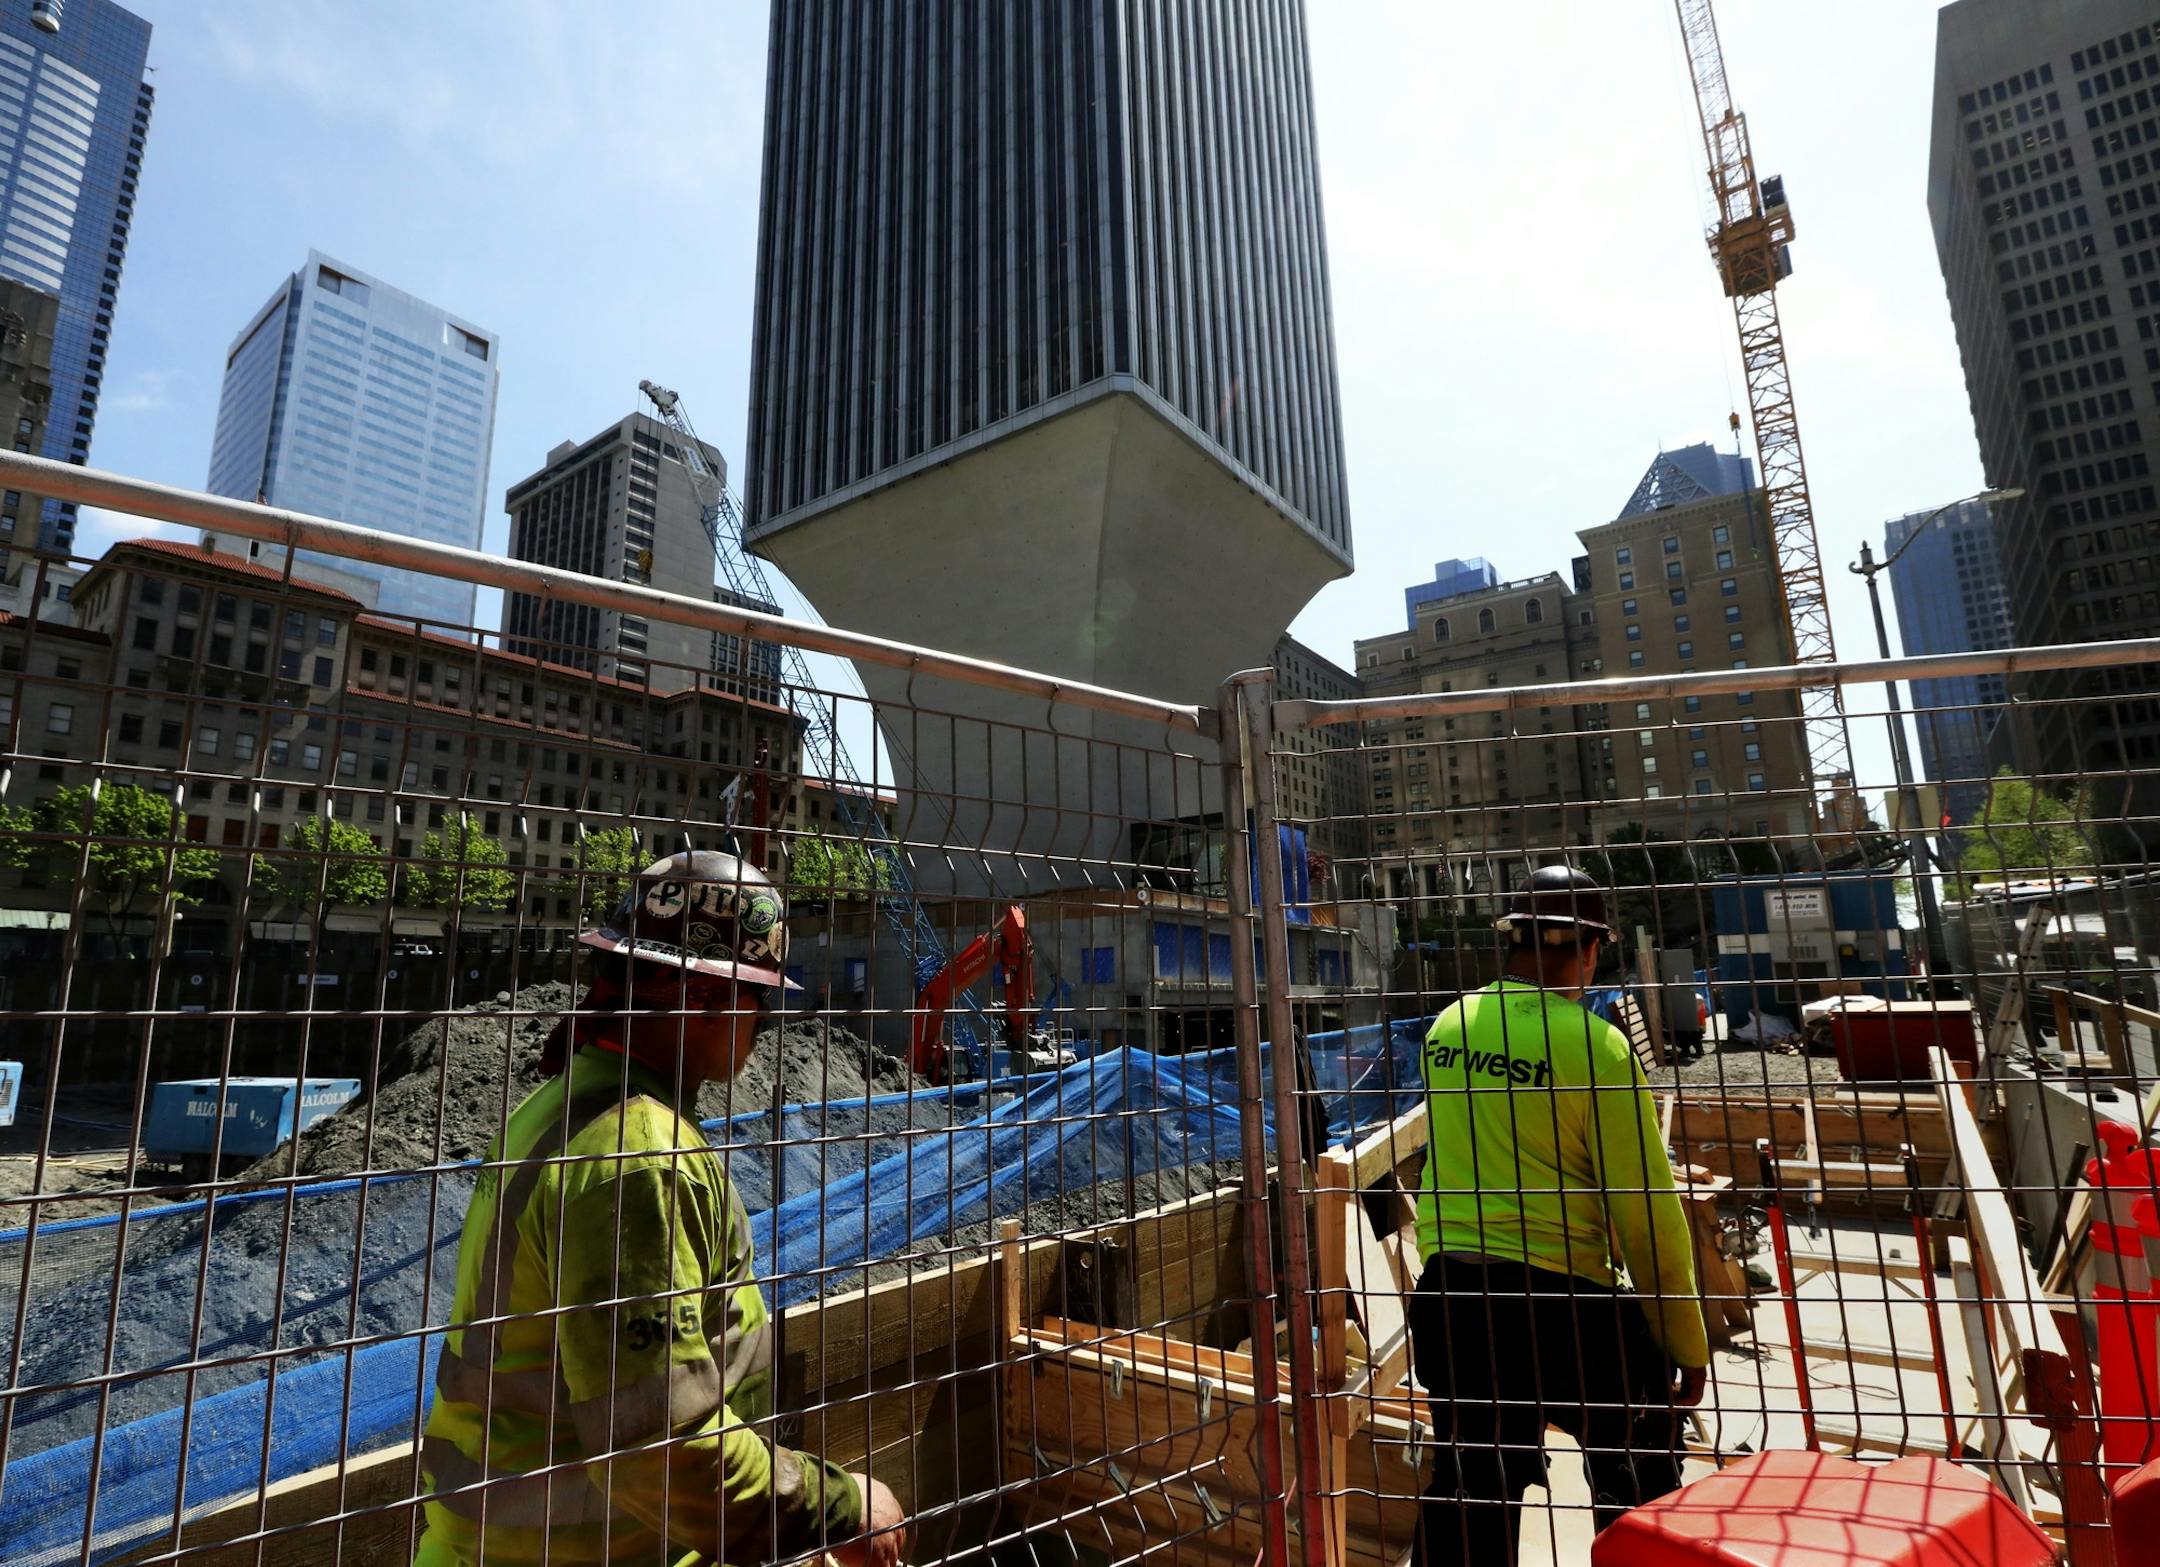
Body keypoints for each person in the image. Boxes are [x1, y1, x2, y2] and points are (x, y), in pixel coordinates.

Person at [414, 850, 906, 1567]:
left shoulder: (566, 1103)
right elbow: (659, 1448)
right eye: (757, 999)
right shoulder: (640, 1154)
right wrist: (837, 1507)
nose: (763, 1022)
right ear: (704, 997)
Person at [1408, 866, 1708, 1565]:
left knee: (1469, 1485)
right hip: (1563, 1307)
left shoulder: (1449, 1026)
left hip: (1454, 1300)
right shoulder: (1596, 1045)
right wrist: (1684, 1342)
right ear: (1592, 947)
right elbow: (1646, 1221)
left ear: (1508, 941)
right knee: (1638, 1466)